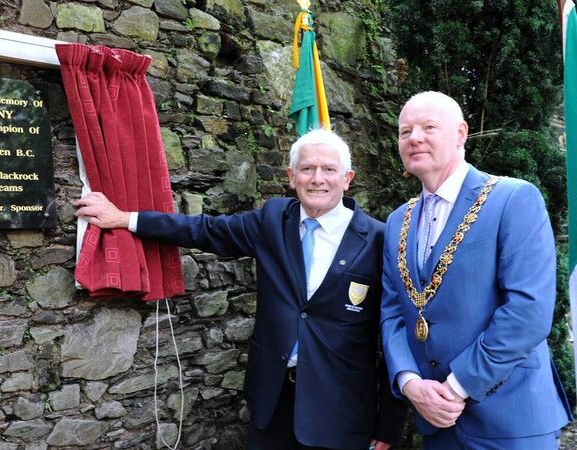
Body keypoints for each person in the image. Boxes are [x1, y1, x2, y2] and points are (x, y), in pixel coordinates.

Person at [74, 129, 406, 449]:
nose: (317, 178)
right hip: (272, 404)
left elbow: (394, 333)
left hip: (340, 411)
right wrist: (126, 219)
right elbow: (204, 230)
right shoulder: (273, 220)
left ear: (347, 179)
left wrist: (389, 423)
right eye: (307, 169)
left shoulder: (379, 240)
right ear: (292, 177)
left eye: (329, 170)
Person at [380, 91, 573, 449]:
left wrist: (456, 387)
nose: (414, 138)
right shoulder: (397, 221)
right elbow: (392, 313)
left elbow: (528, 312)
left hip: (511, 420)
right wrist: (410, 383)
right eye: (405, 131)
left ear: (461, 133)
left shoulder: (513, 199)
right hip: (436, 422)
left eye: (429, 127)